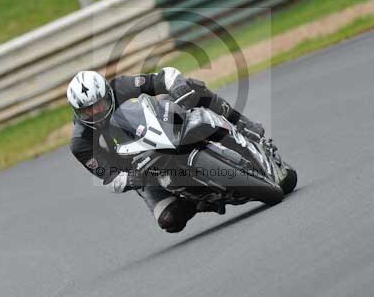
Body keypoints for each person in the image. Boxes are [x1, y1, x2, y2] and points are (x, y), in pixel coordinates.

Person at [67, 67, 264, 233]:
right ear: (77, 112)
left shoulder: (120, 87)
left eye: (99, 104)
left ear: (107, 94)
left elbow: (163, 77)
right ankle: (200, 200)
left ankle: (243, 125)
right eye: (87, 111)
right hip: (143, 171)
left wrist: (177, 86)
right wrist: (128, 179)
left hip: (162, 128)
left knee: (194, 88)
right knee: (170, 220)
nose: (95, 112)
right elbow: (107, 177)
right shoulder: (80, 142)